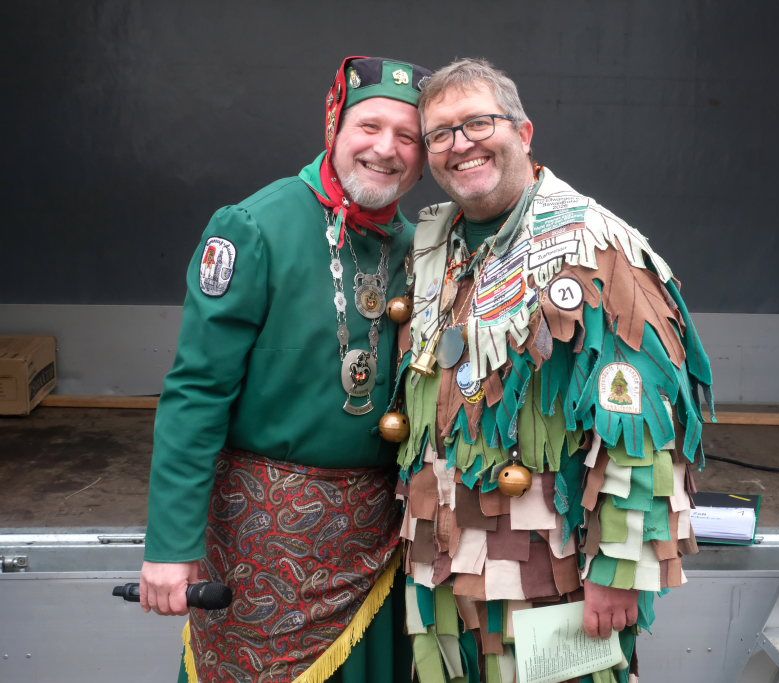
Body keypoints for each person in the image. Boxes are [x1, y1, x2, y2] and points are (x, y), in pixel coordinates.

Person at [393, 58, 714, 683]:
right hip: (440, 566)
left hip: (552, 571)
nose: (461, 145)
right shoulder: (435, 246)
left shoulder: (596, 247)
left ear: (524, 132)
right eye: (441, 134)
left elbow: (641, 426)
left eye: (478, 123)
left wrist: (619, 568)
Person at [140, 55, 431, 683]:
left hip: (377, 545)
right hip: (259, 542)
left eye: (407, 137)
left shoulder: (421, 249)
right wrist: (170, 546)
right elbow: (197, 392)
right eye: (369, 126)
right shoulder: (254, 228)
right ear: (334, 126)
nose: (386, 149)